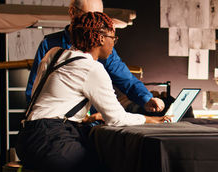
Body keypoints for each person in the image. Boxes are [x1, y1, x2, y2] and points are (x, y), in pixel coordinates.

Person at [16, 12, 169, 172]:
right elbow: (117, 119)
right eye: (113, 38)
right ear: (100, 38)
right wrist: (149, 120)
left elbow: (48, 101)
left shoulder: (53, 54)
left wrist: (86, 117)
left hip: (26, 139)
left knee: (93, 169)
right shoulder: (92, 69)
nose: (114, 43)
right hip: (51, 141)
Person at [25, 0, 165, 113]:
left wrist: (146, 98)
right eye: (90, 16)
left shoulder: (101, 48)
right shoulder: (50, 46)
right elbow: (34, 92)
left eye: (100, 16)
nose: (96, 22)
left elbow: (125, 78)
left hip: (92, 123)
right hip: (58, 124)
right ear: (72, 12)